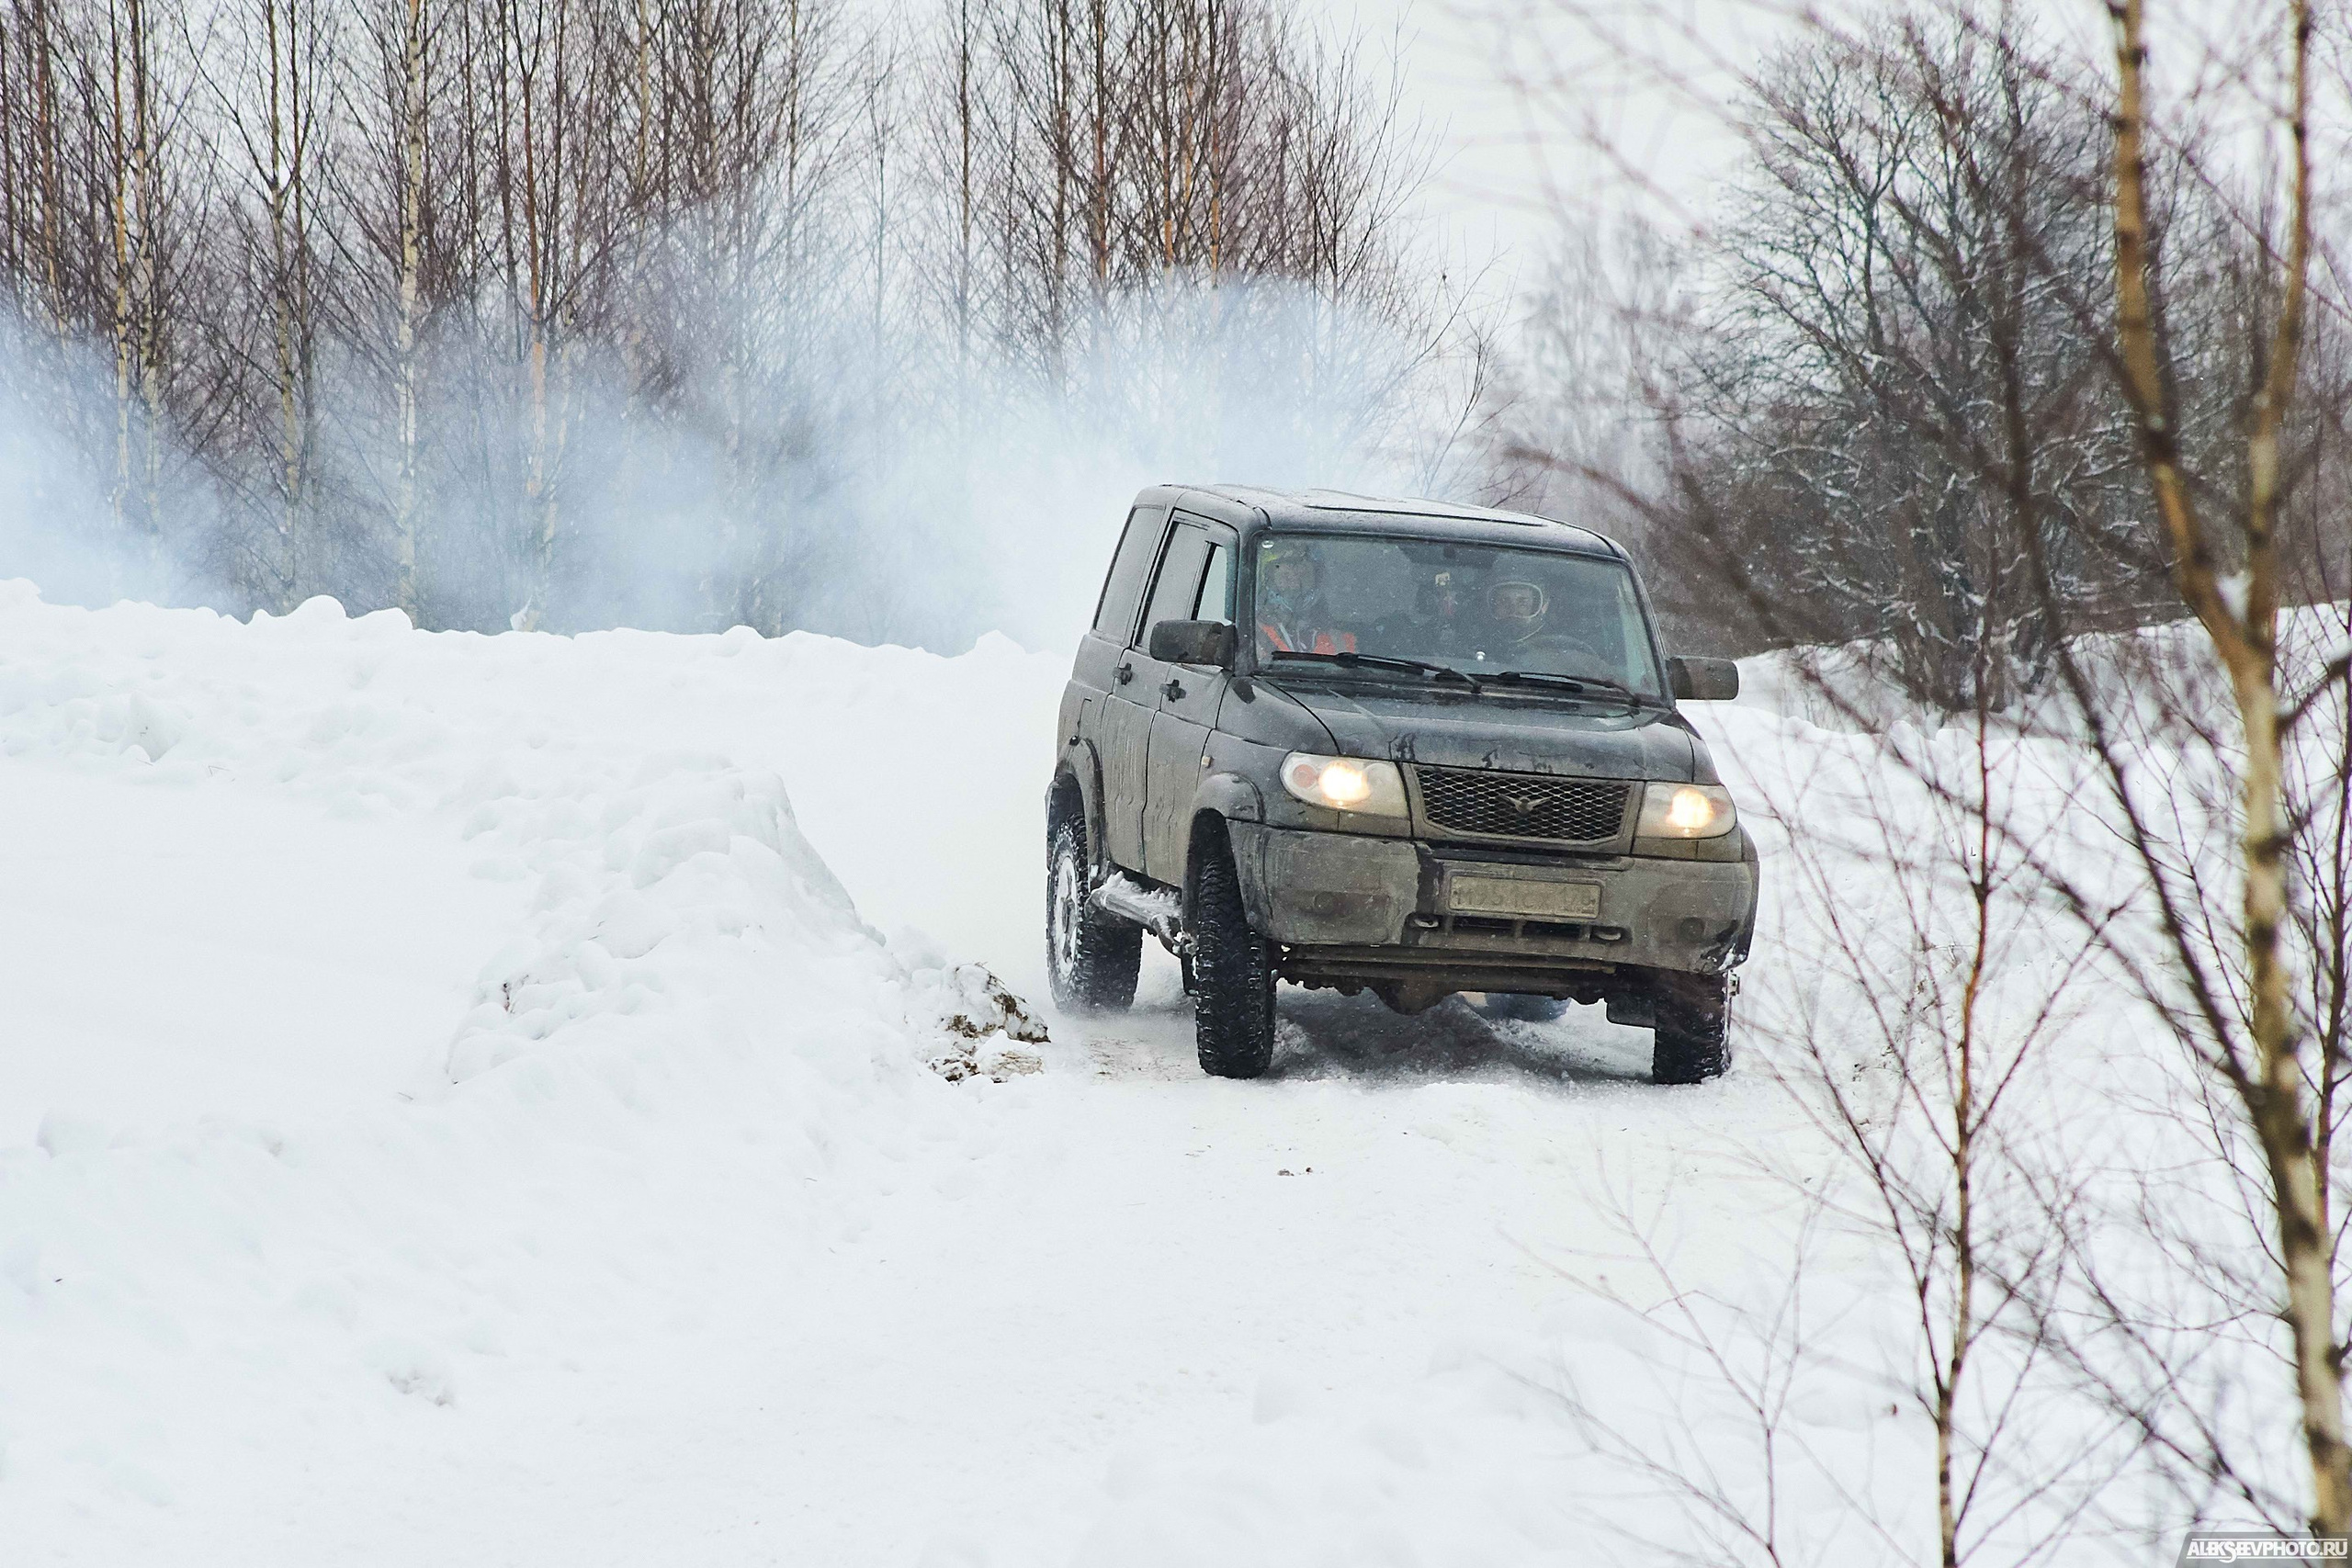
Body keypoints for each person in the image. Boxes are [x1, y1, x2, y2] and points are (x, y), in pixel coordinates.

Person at [1256, 539, 1357, 655]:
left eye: (1303, 573)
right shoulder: (1249, 632)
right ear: (1268, 578)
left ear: (1317, 578)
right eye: (1286, 576)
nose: (1295, 585)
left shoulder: (1341, 639)